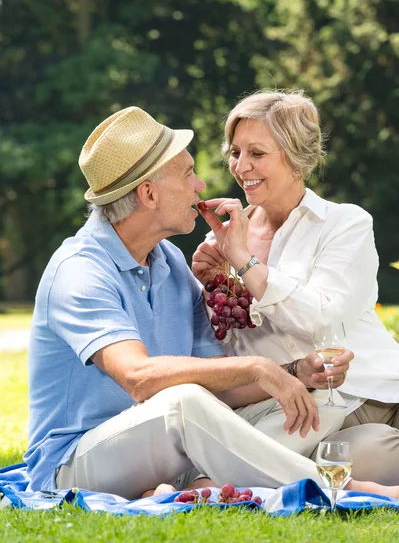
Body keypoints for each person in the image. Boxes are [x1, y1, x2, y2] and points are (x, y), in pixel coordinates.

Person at [24, 106, 398, 502]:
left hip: (170, 449)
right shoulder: (80, 270)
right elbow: (137, 377)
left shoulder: (168, 261)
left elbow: (220, 384)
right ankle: (354, 491)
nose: (201, 184)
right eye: (187, 174)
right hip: (74, 461)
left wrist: (293, 372)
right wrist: (260, 366)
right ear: (148, 194)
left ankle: (197, 486)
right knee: (185, 402)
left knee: (373, 443)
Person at [192, 89, 399, 486]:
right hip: (277, 403)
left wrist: (244, 262)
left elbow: (322, 316)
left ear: (297, 157)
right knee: (367, 451)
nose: (241, 166)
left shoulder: (345, 224)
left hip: (358, 394)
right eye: (235, 152)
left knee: (348, 431)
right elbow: (227, 348)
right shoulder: (229, 235)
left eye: (257, 153)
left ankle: (213, 483)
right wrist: (209, 287)